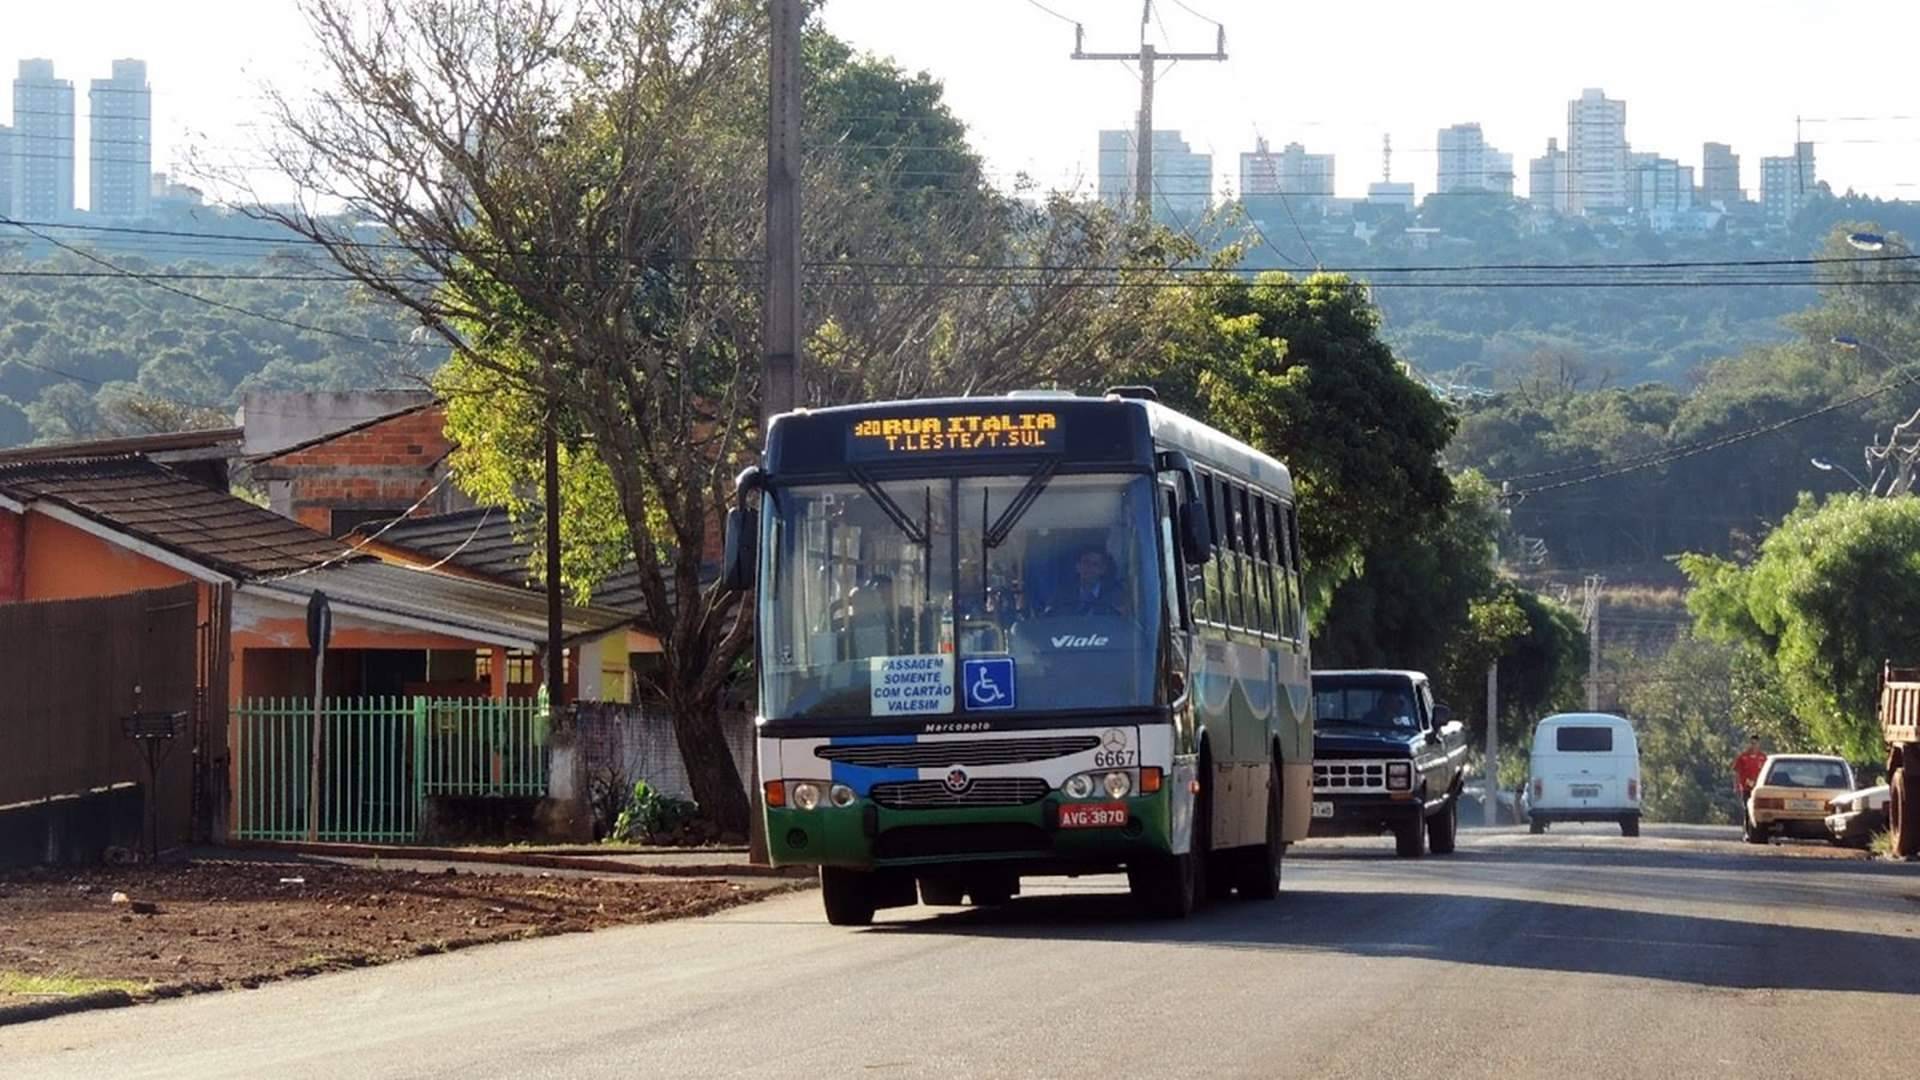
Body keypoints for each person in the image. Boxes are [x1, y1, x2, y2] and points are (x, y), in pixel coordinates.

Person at [1051, 545, 1125, 616]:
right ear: (1077, 566)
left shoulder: (1116, 595)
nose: (1089, 568)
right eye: (1085, 562)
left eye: (1095, 564)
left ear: (1103, 569)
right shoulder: (1062, 593)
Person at [1734, 734, 1767, 824]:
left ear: (1759, 744)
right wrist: (1736, 786)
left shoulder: (1763, 757)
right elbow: (1737, 772)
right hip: (1746, 788)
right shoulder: (1743, 757)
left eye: (1755, 743)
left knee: (1758, 810)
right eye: (1752, 743)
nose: (1753, 745)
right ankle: (1747, 830)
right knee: (1747, 809)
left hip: (1759, 789)